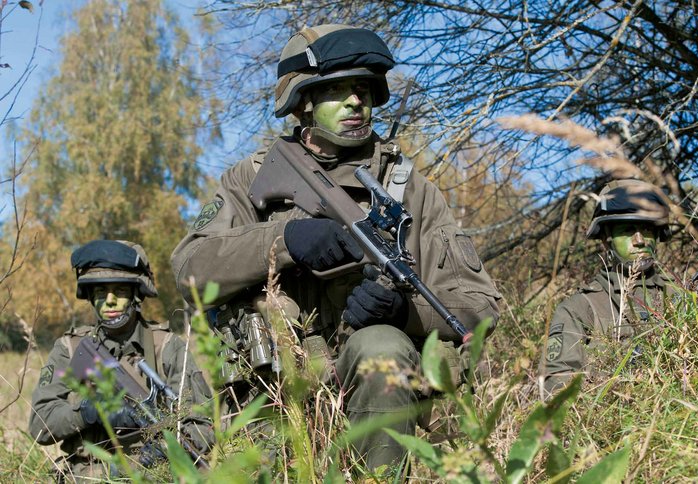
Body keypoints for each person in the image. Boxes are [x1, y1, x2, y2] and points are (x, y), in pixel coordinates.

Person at [171, 24, 501, 471]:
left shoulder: (410, 191)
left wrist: (401, 313)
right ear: (302, 102)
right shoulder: (251, 179)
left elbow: (478, 307)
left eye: (362, 88)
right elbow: (190, 267)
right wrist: (282, 240)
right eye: (336, 90)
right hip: (276, 396)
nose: (355, 101)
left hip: (382, 399)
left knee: (380, 344)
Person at [29, 239, 214, 481]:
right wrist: (89, 411)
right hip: (88, 475)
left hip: (155, 474)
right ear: (89, 296)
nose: (110, 300)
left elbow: (204, 426)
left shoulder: (167, 347)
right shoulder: (71, 349)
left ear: (137, 294)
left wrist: (164, 450)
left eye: (120, 290)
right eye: (99, 292)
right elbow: (40, 426)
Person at [543, 179, 673, 396]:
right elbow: (557, 390)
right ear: (606, 239)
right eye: (628, 230)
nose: (640, 240)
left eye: (647, 229)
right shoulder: (580, 308)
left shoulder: (681, 297)